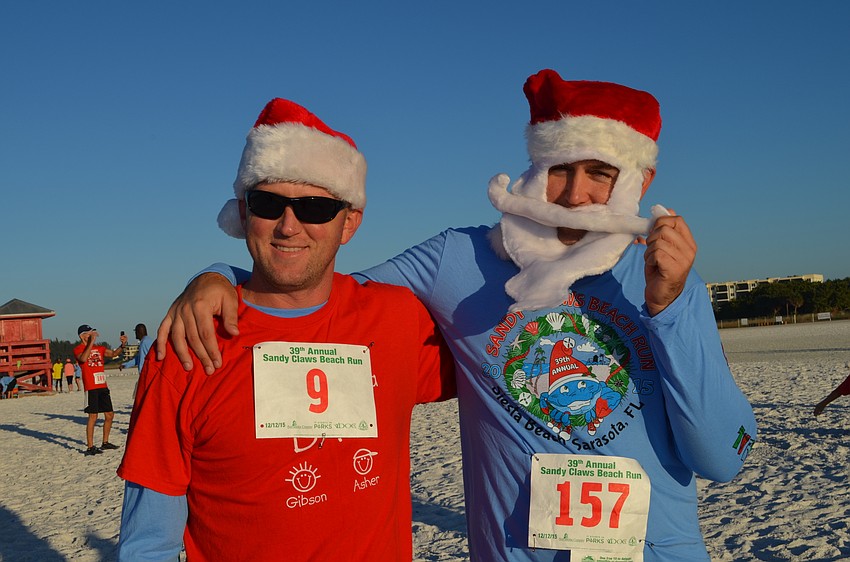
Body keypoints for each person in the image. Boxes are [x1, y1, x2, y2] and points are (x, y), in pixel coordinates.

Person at [159, 70, 757, 561]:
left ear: (641, 179)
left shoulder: (664, 280)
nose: (575, 196)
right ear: (533, 169)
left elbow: (722, 458)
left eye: (599, 173)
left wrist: (670, 306)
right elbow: (315, 284)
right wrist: (218, 276)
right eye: (560, 170)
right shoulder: (462, 258)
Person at [116, 98, 455, 561]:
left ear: (350, 222)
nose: (289, 226)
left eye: (315, 208)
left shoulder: (396, 318)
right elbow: (149, 539)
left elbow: (505, 365)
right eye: (268, 203)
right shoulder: (188, 343)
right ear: (243, 211)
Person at [74, 324, 127, 455]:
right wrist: (90, 342)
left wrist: (123, 345)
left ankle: (105, 442)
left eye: (93, 332)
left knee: (109, 414)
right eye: (89, 333)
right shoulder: (78, 349)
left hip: (103, 386)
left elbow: (114, 354)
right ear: (82, 336)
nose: (92, 335)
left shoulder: (100, 348)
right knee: (93, 416)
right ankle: (90, 446)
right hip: (91, 387)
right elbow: (83, 358)